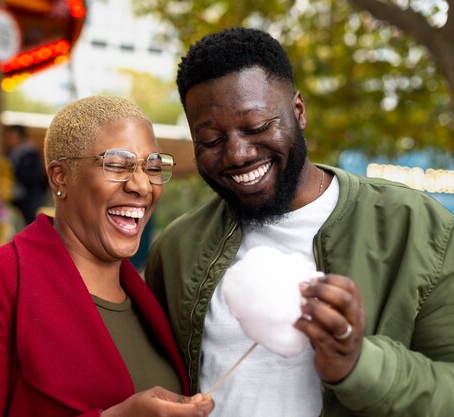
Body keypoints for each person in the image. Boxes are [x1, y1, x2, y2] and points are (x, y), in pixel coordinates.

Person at [145, 27, 454, 417]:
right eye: (210, 141)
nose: (237, 154)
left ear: (299, 111)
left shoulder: (420, 229)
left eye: (257, 127)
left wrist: (358, 364)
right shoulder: (177, 249)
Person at [0, 95, 214, 417]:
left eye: (153, 167)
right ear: (60, 177)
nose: (143, 185)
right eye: (117, 165)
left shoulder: (154, 298)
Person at [4, 124, 47, 225]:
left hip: (28, 197)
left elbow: (34, 177)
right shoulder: (9, 153)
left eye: (12, 136)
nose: (9, 140)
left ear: (20, 137)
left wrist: (14, 169)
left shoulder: (31, 154)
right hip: (13, 196)